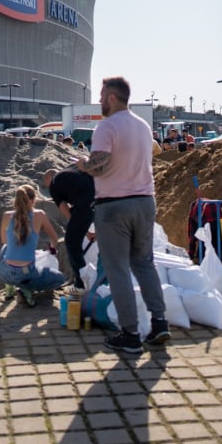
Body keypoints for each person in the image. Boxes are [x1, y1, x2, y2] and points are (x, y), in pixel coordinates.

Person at [77, 76, 170, 353]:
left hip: (114, 207)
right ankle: (160, 322)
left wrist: (83, 164)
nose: (100, 100)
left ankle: (130, 333)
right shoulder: (143, 127)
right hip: (145, 202)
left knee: (117, 269)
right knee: (145, 264)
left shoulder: (106, 127)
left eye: (103, 95)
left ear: (114, 97)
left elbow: (99, 167)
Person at [0, 184, 65, 307]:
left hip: (4, 272)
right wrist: (52, 248)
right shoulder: (39, 215)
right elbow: (54, 238)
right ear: (33, 200)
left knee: (5, 248)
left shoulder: (7, 215)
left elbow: (4, 240)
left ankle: (10, 286)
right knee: (59, 278)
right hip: (26, 274)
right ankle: (26, 288)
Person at [42, 167, 95, 293]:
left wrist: (77, 225)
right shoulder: (72, 171)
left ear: (49, 177)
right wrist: (86, 231)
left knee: (72, 242)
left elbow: (64, 209)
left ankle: (80, 284)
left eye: (45, 181)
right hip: (100, 200)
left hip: (85, 205)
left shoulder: (54, 184)